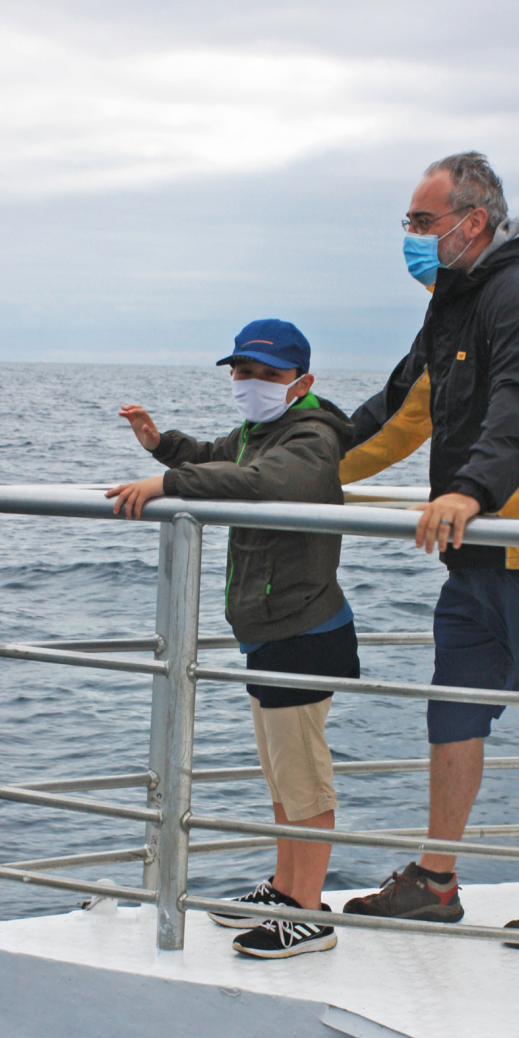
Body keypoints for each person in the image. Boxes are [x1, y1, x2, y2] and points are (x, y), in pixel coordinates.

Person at [341, 152, 519, 938]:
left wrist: (470, 491)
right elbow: (399, 414)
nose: (411, 237)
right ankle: (436, 878)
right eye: (408, 223)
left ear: (472, 222)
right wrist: (297, 470)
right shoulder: (454, 304)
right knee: (453, 708)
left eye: (422, 223)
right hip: (481, 553)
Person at [107, 318, 358, 958]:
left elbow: (260, 483)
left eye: (268, 375)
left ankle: (310, 912)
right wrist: (162, 446)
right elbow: (218, 459)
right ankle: (284, 887)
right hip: (271, 628)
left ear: (302, 382)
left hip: (305, 628)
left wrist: (168, 485)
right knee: (281, 780)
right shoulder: (258, 432)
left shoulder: (310, 438)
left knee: (305, 783)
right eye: (242, 371)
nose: (250, 383)